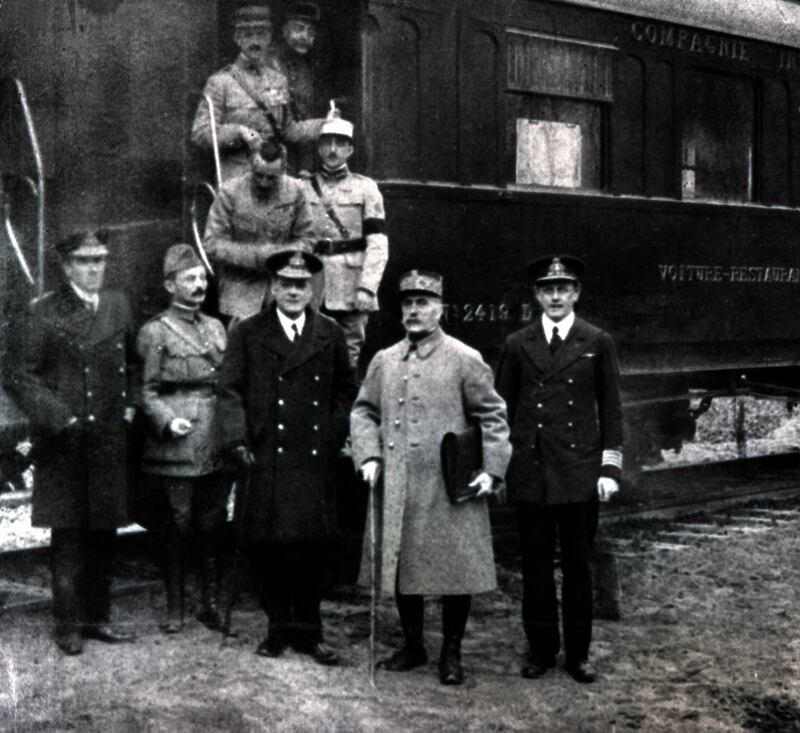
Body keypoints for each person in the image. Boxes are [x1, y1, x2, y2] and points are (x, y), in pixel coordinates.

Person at [350, 270, 511, 686]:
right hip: (398, 483)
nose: (414, 311)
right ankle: (413, 644)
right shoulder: (384, 360)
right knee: (404, 568)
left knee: (455, 571)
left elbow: (493, 415)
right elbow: (363, 411)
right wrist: (367, 454)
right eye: (407, 303)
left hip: (448, 484)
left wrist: (492, 470)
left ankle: (451, 653)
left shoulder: (464, 357)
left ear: (440, 308)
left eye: (423, 302)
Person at [216, 249, 356, 665]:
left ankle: (310, 633)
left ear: (311, 289)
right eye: (286, 284)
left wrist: (331, 435)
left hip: (313, 457)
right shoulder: (247, 331)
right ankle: (277, 628)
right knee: (269, 547)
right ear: (273, 288)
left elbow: (346, 392)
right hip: (265, 456)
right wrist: (238, 439)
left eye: (301, 285)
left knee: (312, 549)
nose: (293, 292)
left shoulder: (329, 333)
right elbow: (229, 391)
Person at [5, 230, 136, 655]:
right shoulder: (42, 313)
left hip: (107, 438)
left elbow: (132, 363)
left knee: (104, 534)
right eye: (84, 261)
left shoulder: (117, 305)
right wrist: (61, 418)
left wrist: (130, 404)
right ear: (66, 266)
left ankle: (97, 619)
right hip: (66, 441)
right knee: (68, 537)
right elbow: (20, 376)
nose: (94, 267)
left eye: (99, 259)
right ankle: (68, 625)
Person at [495, 255, 624, 684]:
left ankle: (579, 655)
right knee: (534, 567)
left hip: (578, 472)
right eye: (547, 289)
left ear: (576, 294)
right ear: (536, 295)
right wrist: (499, 467)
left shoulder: (596, 340)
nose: (555, 296)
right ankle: (542, 650)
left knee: (577, 566)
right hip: (531, 472)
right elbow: (502, 411)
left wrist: (609, 469)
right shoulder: (518, 343)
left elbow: (611, 409)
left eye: (563, 288)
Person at [135, 244, 230, 634]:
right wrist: (167, 420)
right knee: (178, 523)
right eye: (189, 279)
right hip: (178, 441)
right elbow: (145, 390)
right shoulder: (155, 331)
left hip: (216, 436)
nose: (198, 285)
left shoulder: (216, 327)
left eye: (202, 278)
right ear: (169, 284)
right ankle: (175, 607)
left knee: (212, 523)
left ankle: (207, 603)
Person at [191, 5, 322, 181]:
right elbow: (200, 133)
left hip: (274, 173)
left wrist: (324, 124)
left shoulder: (278, 81)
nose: (255, 41)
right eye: (248, 35)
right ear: (237, 38)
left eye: (261, 35)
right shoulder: (220, 82)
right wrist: (238, 132)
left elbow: (289, 130)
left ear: (269, 38)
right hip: (237, 177)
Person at [305, 105, 388, 371]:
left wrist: (367, 287)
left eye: (340, 144)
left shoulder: (366, 189)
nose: (332, 150)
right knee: (309, 351)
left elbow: (378, 243)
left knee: (349, 354)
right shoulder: (302, 187)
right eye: (326, 143)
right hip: (313, 282)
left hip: (351, 285)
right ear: (318, 149)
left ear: (349, 150)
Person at [202, 140, 315, 324]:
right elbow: (212, 244)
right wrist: (256, 256)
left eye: (272, 178)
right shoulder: (229, 192)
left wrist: (281, 254)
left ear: (283, 170)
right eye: (259, 175)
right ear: (250, 164)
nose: (264, 182)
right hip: (239, 293)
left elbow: (308, 238)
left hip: (283, 290)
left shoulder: (296, 191)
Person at [267, 1, 322, 174]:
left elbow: (306, 115)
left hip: (295, 162)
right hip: (268, 159)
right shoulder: (268, 64)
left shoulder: (305, 70)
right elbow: (280, 126)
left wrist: (306, 169)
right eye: (298, 28)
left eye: (310, 32)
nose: (304, 36)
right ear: (284, 31)